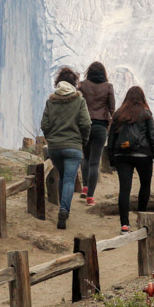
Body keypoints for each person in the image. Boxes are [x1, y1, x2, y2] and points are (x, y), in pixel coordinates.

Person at [40, 66, 91, 229]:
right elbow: (86, 123)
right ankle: (64, 209)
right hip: (73, 147)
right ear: (74, 83)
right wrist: (82, 140)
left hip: (55, 147)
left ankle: (63, 208)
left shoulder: (51, 101)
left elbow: (44, 124)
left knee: (63, 177)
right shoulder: (79, 101)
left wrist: (51, 138)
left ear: (58, 82)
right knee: (69, 179)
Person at [107, 86, 154, 233]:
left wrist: (111, 159)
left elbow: (111, 139)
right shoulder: (146, 114)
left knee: (124, 189)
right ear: (142, 98)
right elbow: (152, 137)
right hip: (143, 155)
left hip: (122, 156)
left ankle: (124, 224)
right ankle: (141, 216)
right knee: (145, 185)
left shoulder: (118, 114)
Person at [78, 61, 115, 206]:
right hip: (100, 126)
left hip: (85, 125)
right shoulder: (108, 87)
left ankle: (85, 186)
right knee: (94, 162)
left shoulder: (82, 85)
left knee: (85, 157)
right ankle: (90, 197)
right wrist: (109, 127)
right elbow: (112, 109)